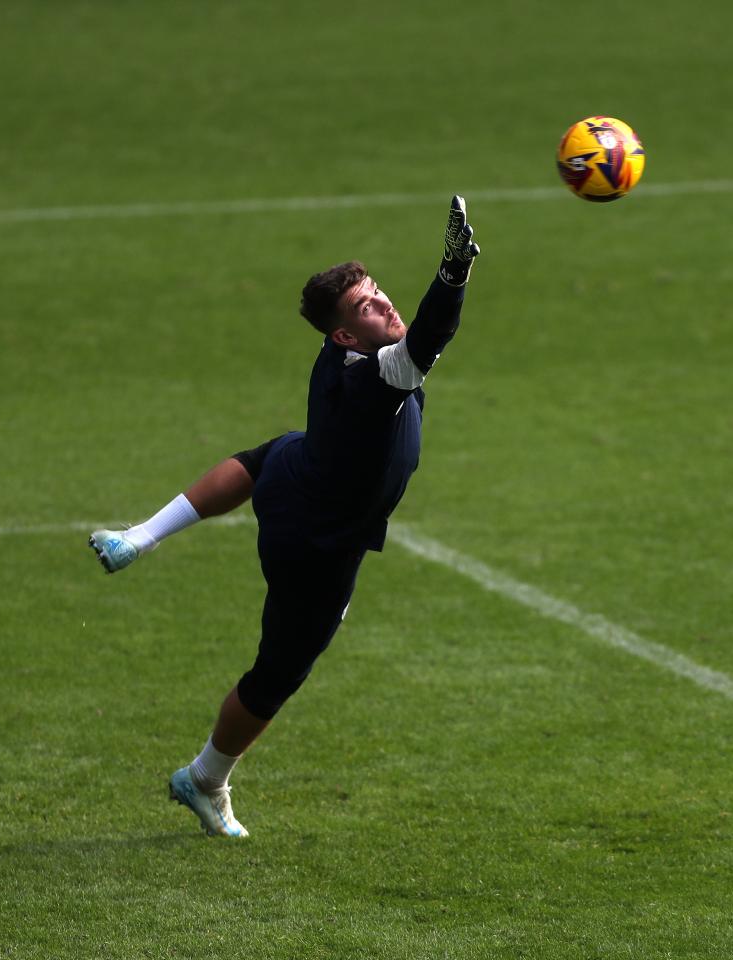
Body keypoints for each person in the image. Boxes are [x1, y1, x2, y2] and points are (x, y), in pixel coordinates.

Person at [88, 197, 481, 837]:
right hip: (317, 545)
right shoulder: (374, 380)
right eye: (365, 307)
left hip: (293, 477)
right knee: (279, 672)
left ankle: (140, 536)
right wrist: (454, 270)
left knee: (269, 451)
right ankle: (205, 779)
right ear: (344, 337)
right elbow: (432, 336)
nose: (384, 304)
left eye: (378, 291)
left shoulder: (343, 360)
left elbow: (411, 340)